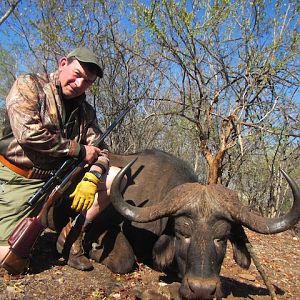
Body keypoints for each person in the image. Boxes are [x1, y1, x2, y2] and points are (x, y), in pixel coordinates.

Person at [0, 47, 122, 272]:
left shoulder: (86, 111)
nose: (79, 84)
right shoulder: (29, 85)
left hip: (58, 180)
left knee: (113, 177)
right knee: (8, 260)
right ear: (63, 63)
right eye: (77, 75)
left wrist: (93, 177)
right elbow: (28, 133)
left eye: (87, 82)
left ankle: (70, 237)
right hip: (19, 178)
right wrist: (77, 150)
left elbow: (101, 151)